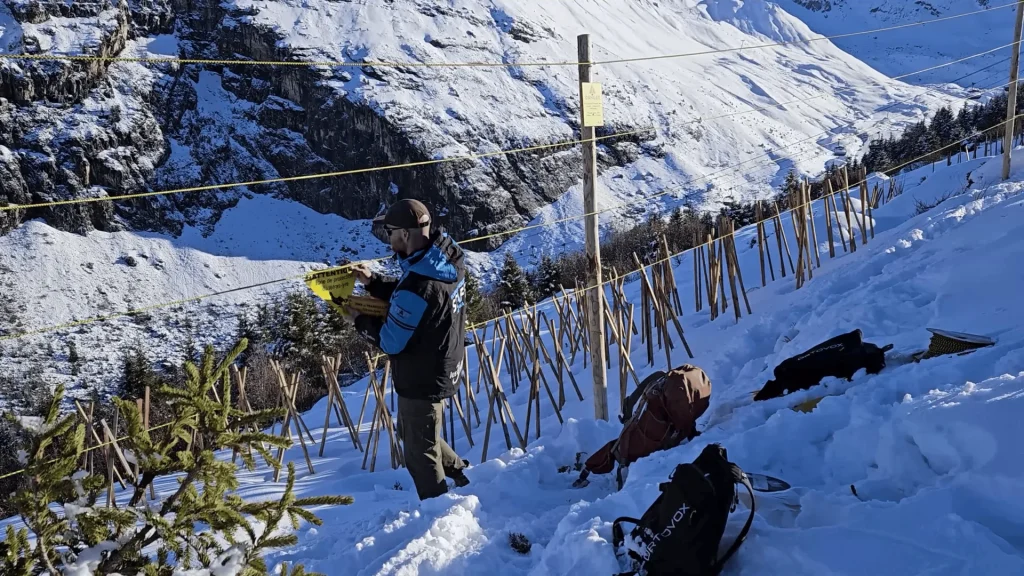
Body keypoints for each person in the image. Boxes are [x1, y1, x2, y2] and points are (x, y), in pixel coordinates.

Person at [345, 199, 470, 500]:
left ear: (403, 233)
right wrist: (373, 282)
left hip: (421, 377)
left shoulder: (421, 284)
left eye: (388, 233)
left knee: (418, 453)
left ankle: (438, 511)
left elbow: (390, 340)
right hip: (445, 361)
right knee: (418, 433)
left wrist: (358, 319)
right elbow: (412, 294)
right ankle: (463, 477)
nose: (387, 240)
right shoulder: (446, 257)